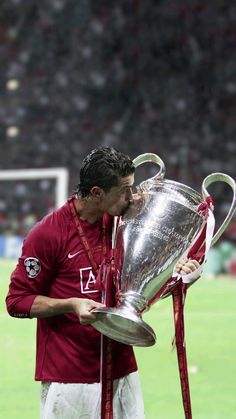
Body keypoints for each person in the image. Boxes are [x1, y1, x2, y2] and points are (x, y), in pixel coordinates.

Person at [6, 146, 200, 419]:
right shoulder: (48, 234)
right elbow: (17, 301)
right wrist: (71, 304)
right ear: (97, 193)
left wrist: (180, 275)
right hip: (70, 378)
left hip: (121, 371)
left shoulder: (126, 225)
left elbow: (142, 285)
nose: (131, 197)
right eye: (124, 190)